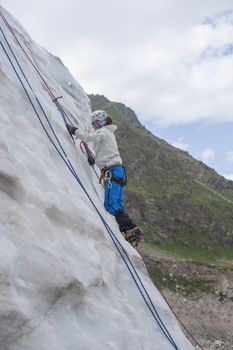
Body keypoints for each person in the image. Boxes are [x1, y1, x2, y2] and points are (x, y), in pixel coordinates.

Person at [67, 110, 143, 246]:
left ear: (101, 122)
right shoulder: (109, 133)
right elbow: (106, 153)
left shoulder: (103, 132)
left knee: (110, 204)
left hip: (112, 171)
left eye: (96, 122)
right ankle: (129, 232)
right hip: (117, 171)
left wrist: (74, 130)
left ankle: (131, 228)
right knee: (117, 204)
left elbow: (89, 138)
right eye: (93, 123)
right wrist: (94, 160)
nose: (94, 125)